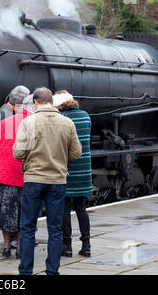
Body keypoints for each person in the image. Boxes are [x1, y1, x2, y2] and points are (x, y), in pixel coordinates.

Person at [13, 87, 82, 275]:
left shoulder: (28, 122)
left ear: (35, 102)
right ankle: (52, 271)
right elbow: (77, 153)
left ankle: (25, 272)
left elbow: (18, 153)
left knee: (27, 228)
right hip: (57, 181)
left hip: (34, 180)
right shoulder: (67, 123)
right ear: (51, 101)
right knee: (55, 229)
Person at [0, 91, 31, 259]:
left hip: (3, 176)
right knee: (23, 213)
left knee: (5, 213)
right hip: (25, 176)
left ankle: (6, 247)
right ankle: (20, 247)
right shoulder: (33, 124)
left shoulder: (5, 123)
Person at [53, 91, 93, 258]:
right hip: (84, 167)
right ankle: (86, 245)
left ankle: (66, 246)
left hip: (67, 169)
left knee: (65, 208)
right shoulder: (85, 116)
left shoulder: (61, 119)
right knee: (81, 208)